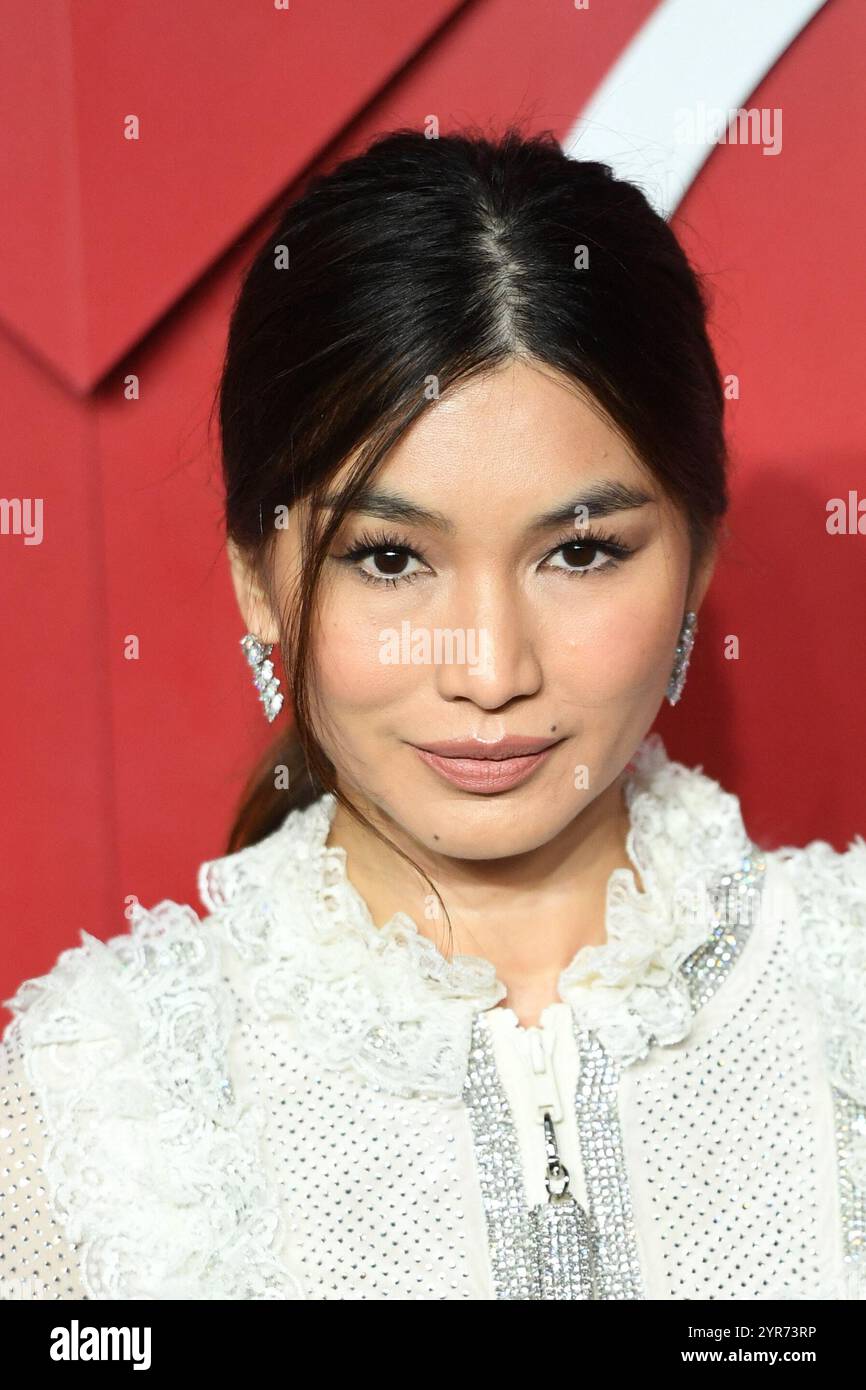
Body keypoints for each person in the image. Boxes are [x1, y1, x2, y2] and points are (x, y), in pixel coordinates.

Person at [2, 127, 864, 1302]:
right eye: (391, 558)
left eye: (578, 550)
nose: (487, 668)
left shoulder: (845, 990)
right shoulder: (86, 1100)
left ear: (697, 560)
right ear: (259, 574)